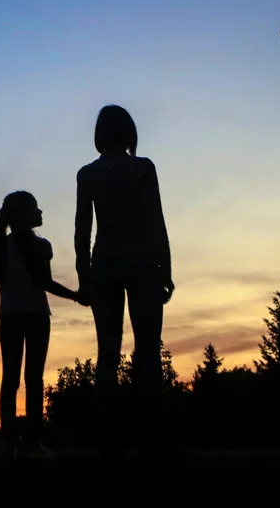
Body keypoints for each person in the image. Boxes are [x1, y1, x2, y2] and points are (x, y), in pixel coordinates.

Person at [74, 105, 174, 457]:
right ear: (129, 131)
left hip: (104, 266)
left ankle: (108, 439)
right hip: (144, 264)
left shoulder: (87, 175)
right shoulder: (143, 169)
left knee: (107, 354)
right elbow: (155, 218)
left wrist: (83, 275)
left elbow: (82, 230)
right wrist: (167, 267)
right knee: (148, 352)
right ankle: (152, 436)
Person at [0, 191, 85, 458]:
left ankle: (10, 445)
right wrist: (75, 296)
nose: (40, 213)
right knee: (33, 380)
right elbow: (45, 283)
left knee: (10, 380)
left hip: (10, 317)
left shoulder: (1, 246)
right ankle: (32, 443)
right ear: (25, 215)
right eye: (36, 208)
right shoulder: (41, 246)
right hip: (37, 316)